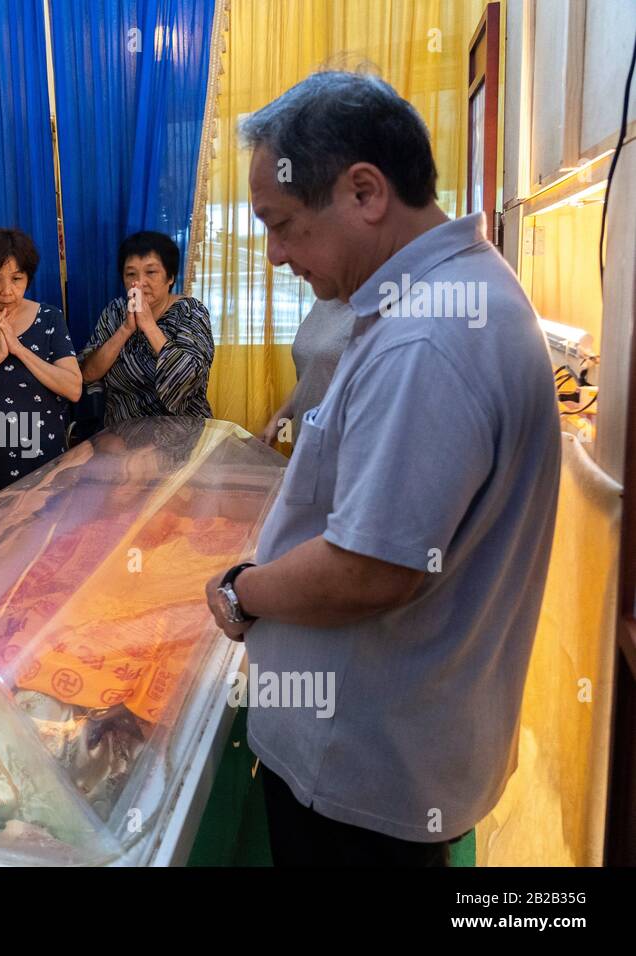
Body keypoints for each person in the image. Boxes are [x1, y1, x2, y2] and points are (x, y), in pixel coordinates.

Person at [204, 71, 561, 866]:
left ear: (365, 191)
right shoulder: (436, 295)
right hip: (398, 749)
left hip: (365, 776)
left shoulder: (427, 340)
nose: (273, 256)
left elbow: (368, 570)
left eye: (284, 225)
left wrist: (239, 590)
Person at [0, 228, 82, 495]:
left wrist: (19, 349)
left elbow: (73, 388)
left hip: (45, 460)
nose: (7, 291)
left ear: (28, 279)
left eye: (16, 279)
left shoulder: (49, 318)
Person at [78, 231, 214, 425]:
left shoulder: (191, 311)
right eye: (131, 274)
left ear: (170, 278)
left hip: (182, 433)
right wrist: (125, 329)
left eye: (151, 272)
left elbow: (189, 377)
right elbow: (88, 373)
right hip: (122, 436)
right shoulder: (115, 311)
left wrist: (149, 326)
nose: (140, 283)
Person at [259, 297, 355, 446]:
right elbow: (312, 374)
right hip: (306, 441)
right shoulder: (323, 301)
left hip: (344, 445)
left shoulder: (377, 309)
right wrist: (278, 420)